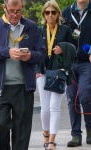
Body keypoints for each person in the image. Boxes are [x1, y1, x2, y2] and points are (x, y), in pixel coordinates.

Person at [0, 0, 46, 149]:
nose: (15, 15)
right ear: (4, 8)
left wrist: (31, 56)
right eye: (11, 11)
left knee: (22, 130)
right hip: (0, 87)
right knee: (0, 125)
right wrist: (6, 52)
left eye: (18, 11)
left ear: (22, 8)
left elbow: (41, 53)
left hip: (23, 87)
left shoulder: (31, 27)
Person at [35, 1, 75, 150]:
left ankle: (52, 141)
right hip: (43, 72)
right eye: (47, 12)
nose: (50, 15)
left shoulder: (65, 29)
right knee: (45, 109)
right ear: (44, 15)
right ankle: (46, 135)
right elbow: (36, 51)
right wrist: (36, 70)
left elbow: (73, 50)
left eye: (53, 12)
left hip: (59, 72)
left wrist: (63, 50)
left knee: (54, 107)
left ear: (58, 14)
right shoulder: (40, 30)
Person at [62, 0, 91, 147]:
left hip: (87, 62)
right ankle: (75, 135)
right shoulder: (66, 12)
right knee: (71, 98)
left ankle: (90, 130)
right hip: (70, 63)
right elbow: (61, 34)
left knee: (86, 96)